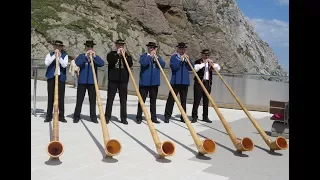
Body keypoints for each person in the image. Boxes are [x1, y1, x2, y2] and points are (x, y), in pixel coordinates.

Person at [73, 40, 105, 123]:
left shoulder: (95, 57)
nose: (89, 48)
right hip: (82, 81)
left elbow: (102, 64)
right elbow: (78, 63)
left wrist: (94, 57)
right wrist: (85, 56)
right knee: (79, 100)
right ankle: (76, 116)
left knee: (92, 100)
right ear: (86, 47)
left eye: (91, 46)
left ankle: (93, 117)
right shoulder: (81, 56)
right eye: (88, 46)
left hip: (92, 82)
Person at [164, 42, 194, 123]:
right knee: (171, 99)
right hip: (175, 81)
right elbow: (174, 67)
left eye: (184, 49)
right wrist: (181, 60)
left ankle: (183, 117)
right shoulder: (174, 57)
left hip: (184, 82)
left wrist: (188, 61)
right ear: (178, 49)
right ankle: (167, 116)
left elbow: (191, 68)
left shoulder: (187, 57)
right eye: (181, 49)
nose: (183, 50)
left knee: (183, 100)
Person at [136, 42, 166, 124]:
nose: (152, 48)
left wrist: (157, 58)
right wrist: (150, 57)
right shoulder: (143, 56)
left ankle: (153, 117)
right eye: (150, 47)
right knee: (142, 101)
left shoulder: (158, 57)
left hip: (154, 83)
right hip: (144, 83)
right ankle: (139, 116)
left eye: (153, 47)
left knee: (153, 101)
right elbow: (143, 63)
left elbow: (163, 65)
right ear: (148, 48)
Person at [105, 39, 133, 125]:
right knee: (110, 99)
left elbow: (130, 64)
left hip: (123, 80)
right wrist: (117, 54)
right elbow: (111, 62)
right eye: (119, 45)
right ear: (116, 45)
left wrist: (124, 56)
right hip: (113, 80)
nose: (120, 46)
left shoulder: (127, 55)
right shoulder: (111, 54)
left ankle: (123, 118)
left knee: (123, 100)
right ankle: (107, 117)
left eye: (122, 45)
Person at [191, 49, 221, 123]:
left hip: (207, 83)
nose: (207, 57)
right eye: (205, 55)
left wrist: (212, 64)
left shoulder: (210, 63)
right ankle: (194, 116)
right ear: (202, 55)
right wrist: (204, 63)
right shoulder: (198, 62)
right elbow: (195, 68)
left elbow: (218, 68)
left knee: (206, 101)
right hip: (199, 83)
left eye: (208, 55)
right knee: (197, 100)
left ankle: (205, 116)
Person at [44, 40, 68, 123]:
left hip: (60, 78)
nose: (57, 48)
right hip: (51, 77)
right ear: (54, 47)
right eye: (56, 46)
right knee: (50, 97)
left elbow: (64, 65)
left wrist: (59, 57)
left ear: (61, 47)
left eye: (59, 46)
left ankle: (61, 116)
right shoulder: (49, 55)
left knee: (61, 97)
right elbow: (47, 63)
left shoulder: (64, 56)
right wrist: (54, 56)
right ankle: (48, 116)